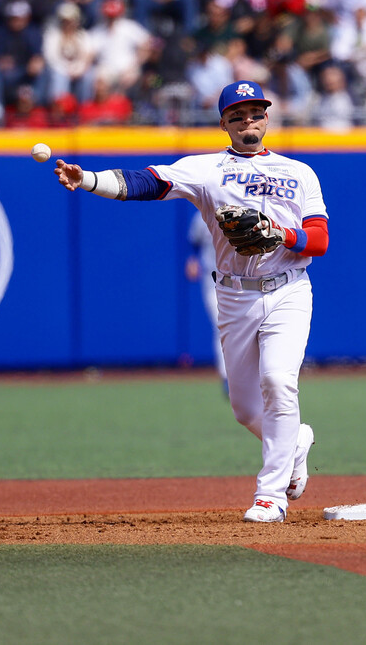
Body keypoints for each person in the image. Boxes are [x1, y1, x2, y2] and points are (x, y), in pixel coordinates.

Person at [53, 80, 328, 523]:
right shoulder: (206, 169)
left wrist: (282, 234)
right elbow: (148, 182)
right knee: (243, 408)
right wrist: (87, 179)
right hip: (234, 296)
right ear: (224, 123)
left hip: (288, 288)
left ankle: (270, 495)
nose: (248, 120)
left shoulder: (300, 173)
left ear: (267, 117)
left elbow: (320, 240)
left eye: (255, 112)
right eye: (237, 115)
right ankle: (294, 440)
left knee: (278, 381)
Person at [186, 211, 228, 393]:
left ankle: (252, 376)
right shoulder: (201, 217)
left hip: (244, 280)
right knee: (222, 327)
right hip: (212, 279)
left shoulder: (243, 207)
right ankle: (227, 377)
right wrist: (192, 260)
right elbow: (193, 243)